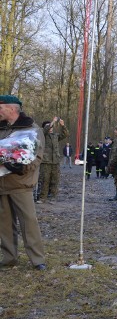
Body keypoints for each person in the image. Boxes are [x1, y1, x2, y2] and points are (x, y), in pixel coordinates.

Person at [0, 95, 46, 270]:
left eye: (0, 108)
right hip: (2, 183)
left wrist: (20, 167)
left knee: (28, 222)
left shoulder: (32, 129)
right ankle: (9, 258)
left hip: (21, 183)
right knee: (4, 224)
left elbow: (37, 157)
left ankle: (37, 259)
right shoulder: (1, 128)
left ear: (12, 109)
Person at [37, 117, 69, 204]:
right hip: (46, 161)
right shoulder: (42, 134)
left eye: (52, 127)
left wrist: (63, 126)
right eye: (49, 127)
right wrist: (53, 122)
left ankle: (53, 197)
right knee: (44, 179)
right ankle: (42, 197)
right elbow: (45, 130)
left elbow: (65, 134)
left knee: (55, 180)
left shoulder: (55, 136)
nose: (51, 128)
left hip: (55, 161)